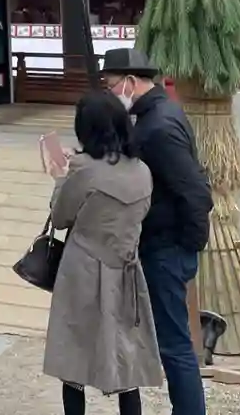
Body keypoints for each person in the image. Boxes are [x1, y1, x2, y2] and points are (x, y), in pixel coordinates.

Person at [101, 48, 213, 415]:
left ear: (131, 82)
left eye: (111, 85)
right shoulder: (155, 115)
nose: (109, 93)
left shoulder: (160, 126)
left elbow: (194, 191)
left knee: (174, 345)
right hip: (159, 243)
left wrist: (188, 247)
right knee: (165, 340)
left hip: (168, 247)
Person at [43, 89, 162, 415]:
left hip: (82, 269)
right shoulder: (142, 170)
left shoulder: (84, 170)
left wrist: (60, 178)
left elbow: (60, 217)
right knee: (126, 358)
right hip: (126, 269)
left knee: (74, 358)